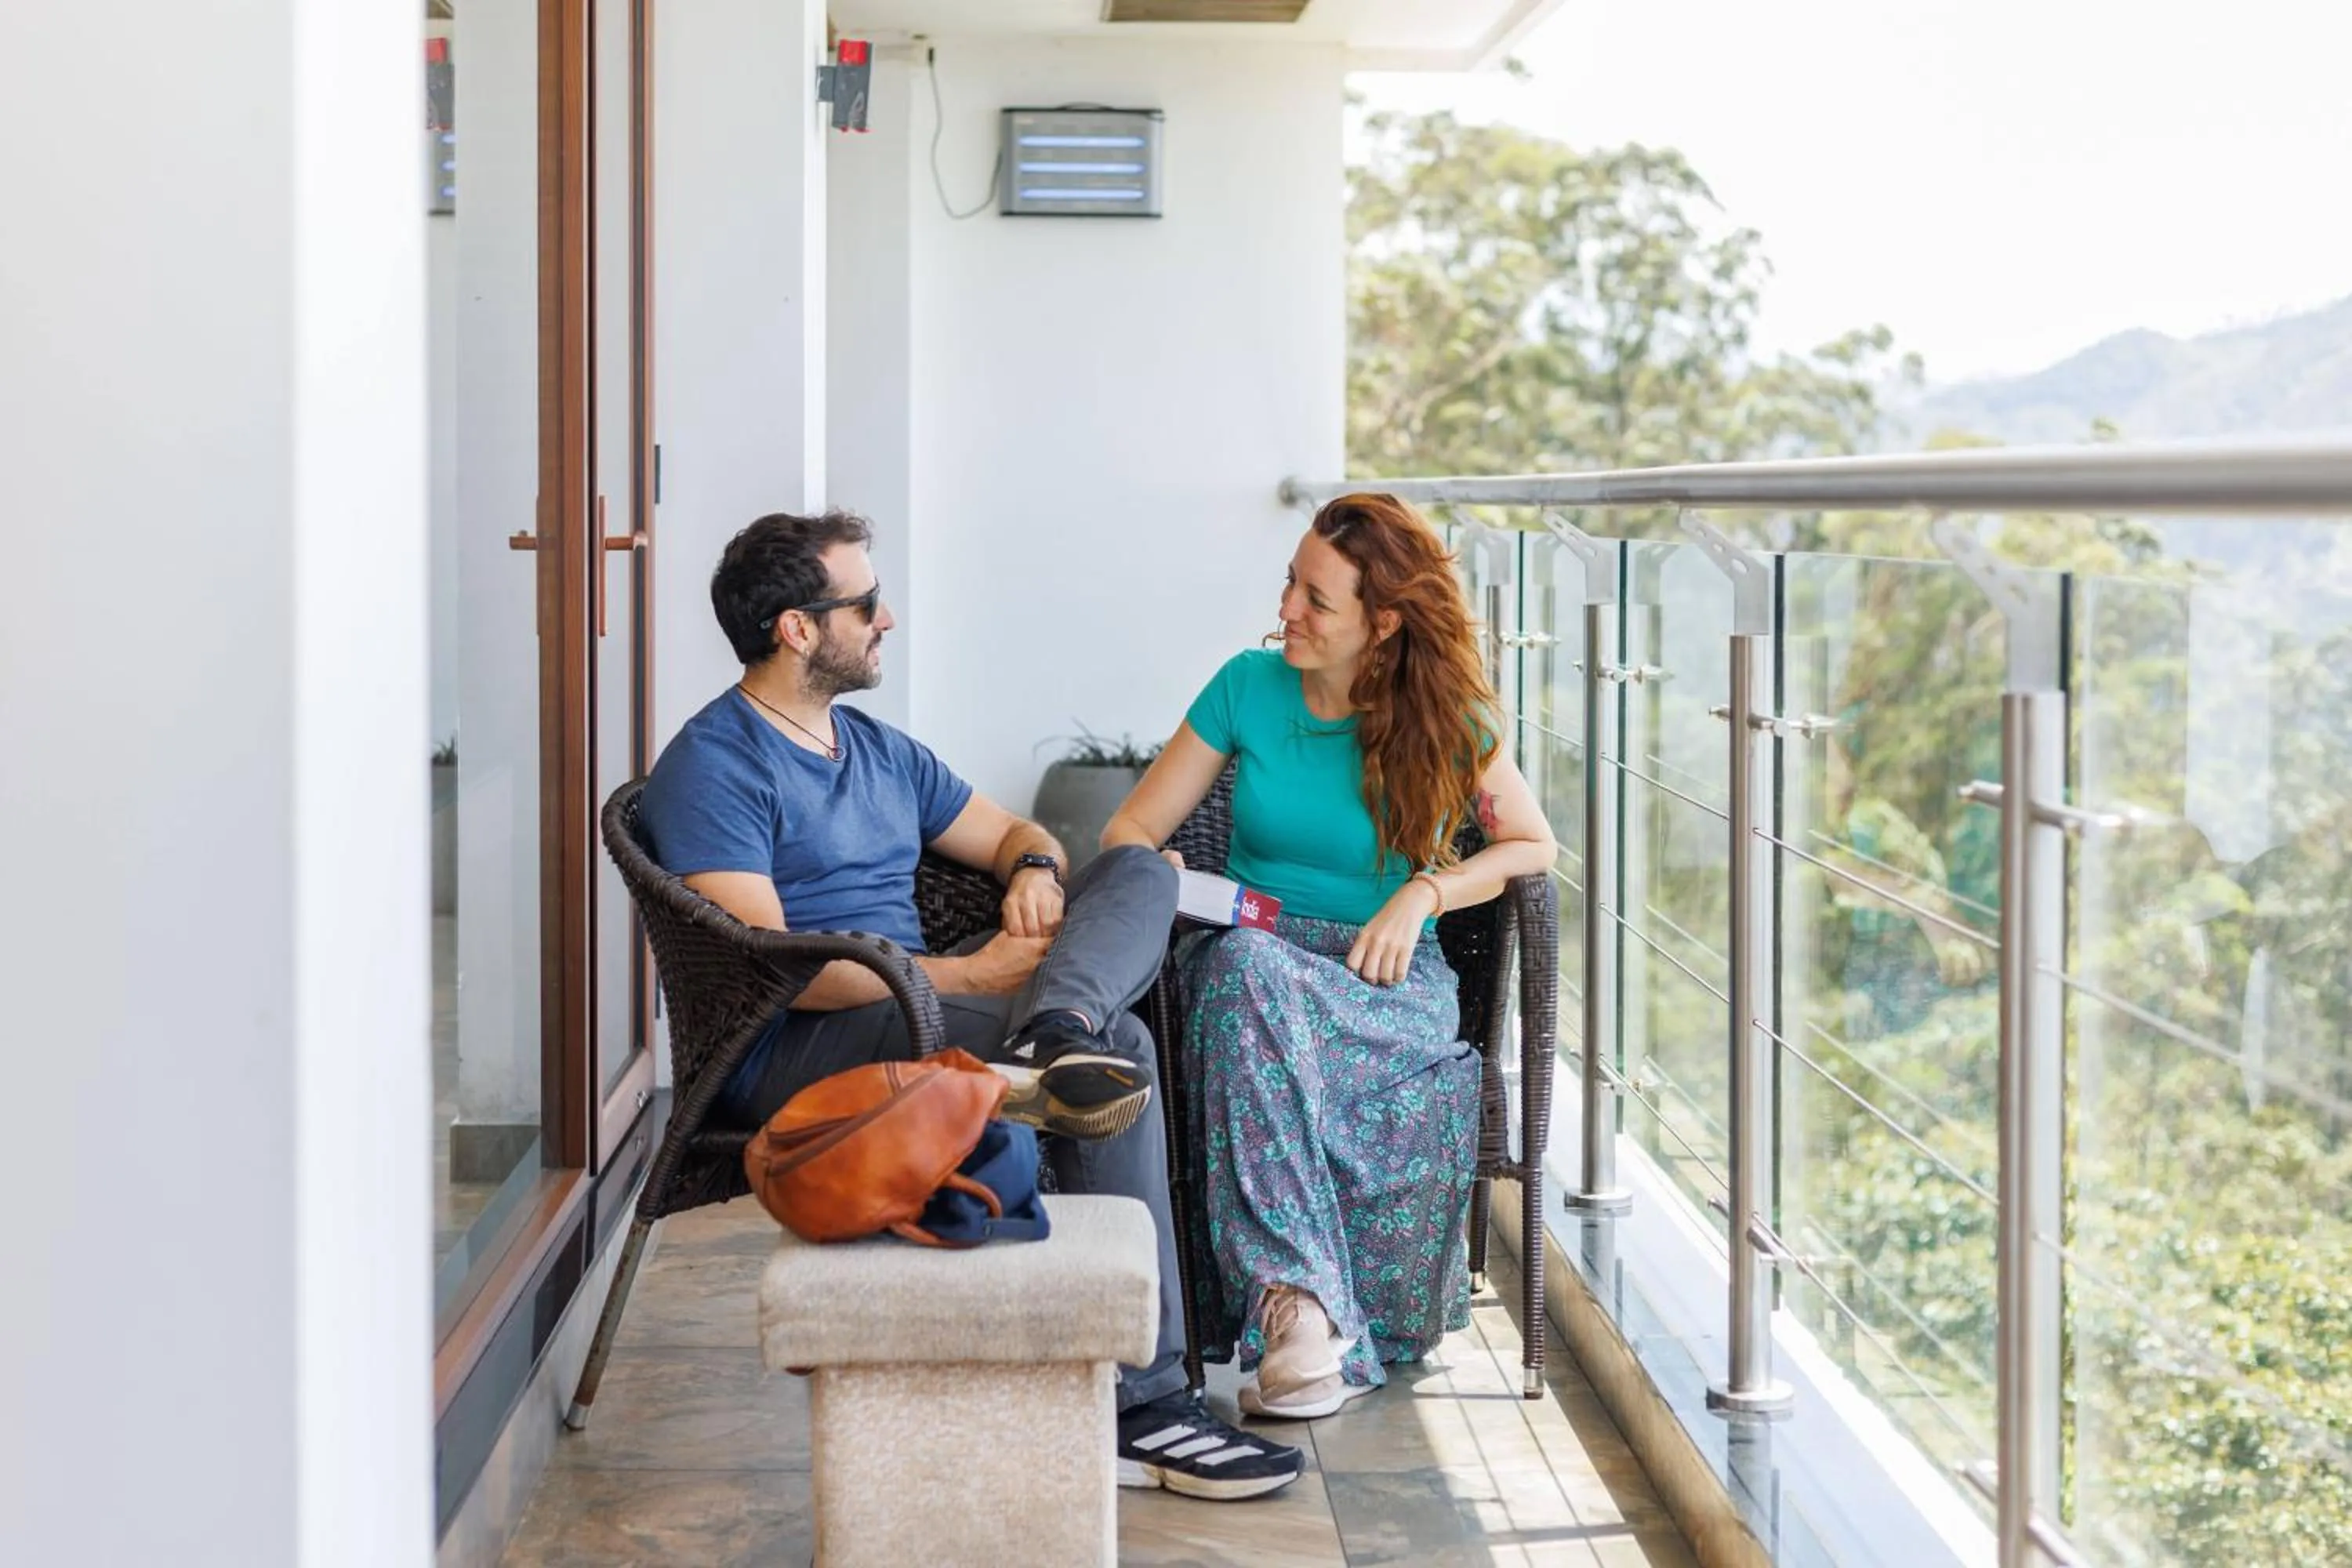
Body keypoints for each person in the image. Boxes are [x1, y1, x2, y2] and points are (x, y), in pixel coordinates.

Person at [637, 510, 1303, 1501]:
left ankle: (1055, 1030)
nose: (887, 616)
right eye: (864, 603)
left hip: (917, 1008)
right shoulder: (716, 763)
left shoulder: (874, 747)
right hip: (798, 1045)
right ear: (797, 629)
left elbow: (1014, 831)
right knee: (1118, 1044)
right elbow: (776, 969)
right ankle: (1147, 1396)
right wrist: (970, 978)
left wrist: (1034, 868)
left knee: (1139, 869)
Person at [1102, 492, 1557, 1420]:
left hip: (1385, 981)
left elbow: (1533, 846)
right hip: (1251, 957)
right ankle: (1300, 1310)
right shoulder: (1246, 686)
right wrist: (1162, 864)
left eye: (1317, 599)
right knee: (1242, 973)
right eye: (1289, 585)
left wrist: (1425, 889)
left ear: (1382, 621)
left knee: (1255, 988)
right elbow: (1130, 825)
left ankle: (1308, 1318)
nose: (1287, 612)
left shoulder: (1447, 712)